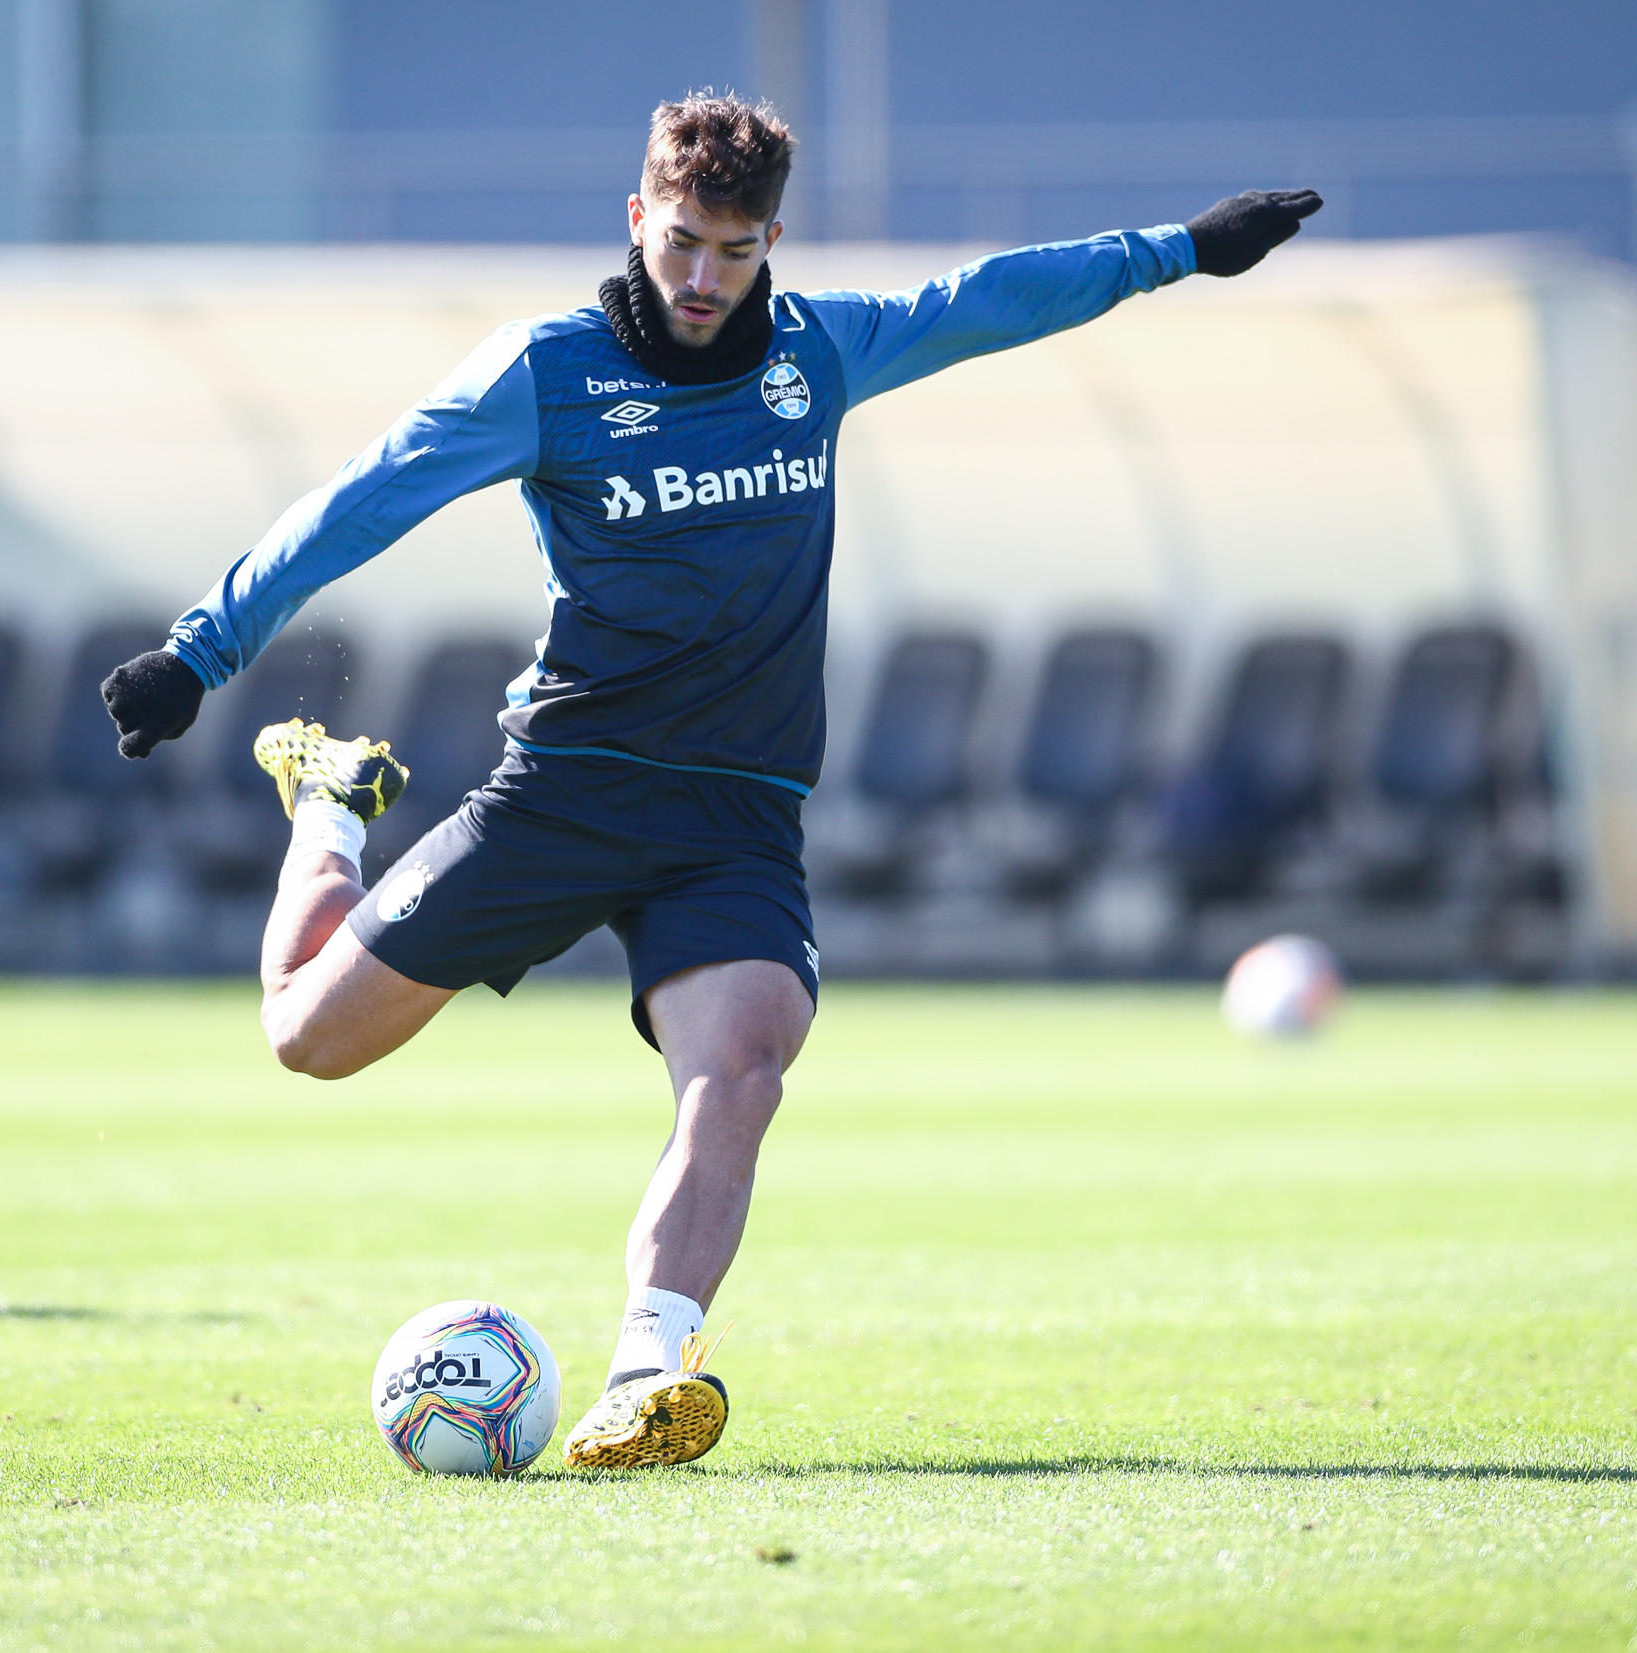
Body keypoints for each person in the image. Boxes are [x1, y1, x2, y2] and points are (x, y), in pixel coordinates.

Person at [100, 92, 1318, 1470]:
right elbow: (364, 496)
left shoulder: (822, 351)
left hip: (735, 818)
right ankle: (329, 803)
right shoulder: (547, 376)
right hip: (564, 790)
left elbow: (992, 299)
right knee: (305, 1037)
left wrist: (1181, 250)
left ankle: (645, 1370)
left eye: (733, 251)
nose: (700, 278)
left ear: (772, 243)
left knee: (739, 1071)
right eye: (681, 241)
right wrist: (199, 651)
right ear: (638, 218)